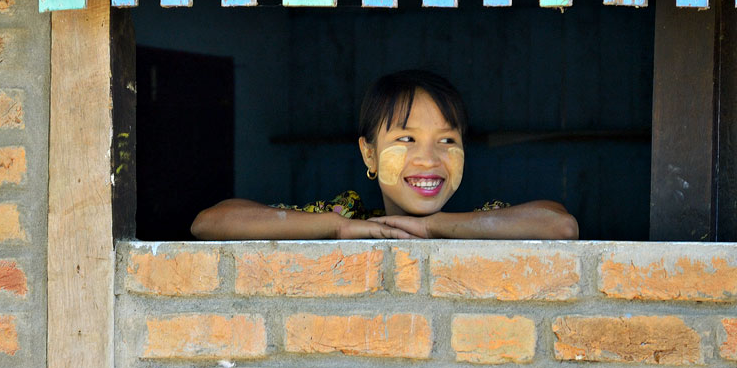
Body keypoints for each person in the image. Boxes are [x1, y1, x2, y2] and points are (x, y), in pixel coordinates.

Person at [190, 70, 579, 241]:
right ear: (369, 154)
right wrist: (336, 229)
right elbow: (210, 223)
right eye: (406, 139)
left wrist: (436, 227)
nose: (428, 159)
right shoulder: (345, 217)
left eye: (447, 141)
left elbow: (560, 226)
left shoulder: (480, 220)